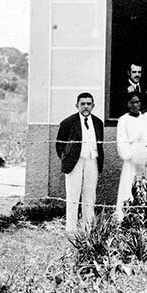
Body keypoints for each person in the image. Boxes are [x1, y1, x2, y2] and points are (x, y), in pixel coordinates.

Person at [56, 92, 104, 233]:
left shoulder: (98, 123)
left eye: (89, 104)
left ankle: (88, 228)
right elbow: (60, 145)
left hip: (92, 160)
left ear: (93, 106)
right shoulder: (68, 123)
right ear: (77, 105)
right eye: (82, 104)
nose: (85, 107)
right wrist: (67, 158)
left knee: (90, 194)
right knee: (73, 194)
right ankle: (71, 229)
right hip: (75, 162)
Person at [114, 92, 147, 220]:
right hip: (131, 159)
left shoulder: (145, 118)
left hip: (144, 159)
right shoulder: (123, 120)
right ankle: (125, 217)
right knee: (128, 185)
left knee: (143, 186)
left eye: (137, 102)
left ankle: (142, 216)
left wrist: (145, 154)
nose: (135, 105)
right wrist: (131, 155)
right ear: (127, 104)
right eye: (132, 102)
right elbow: (122, 141)